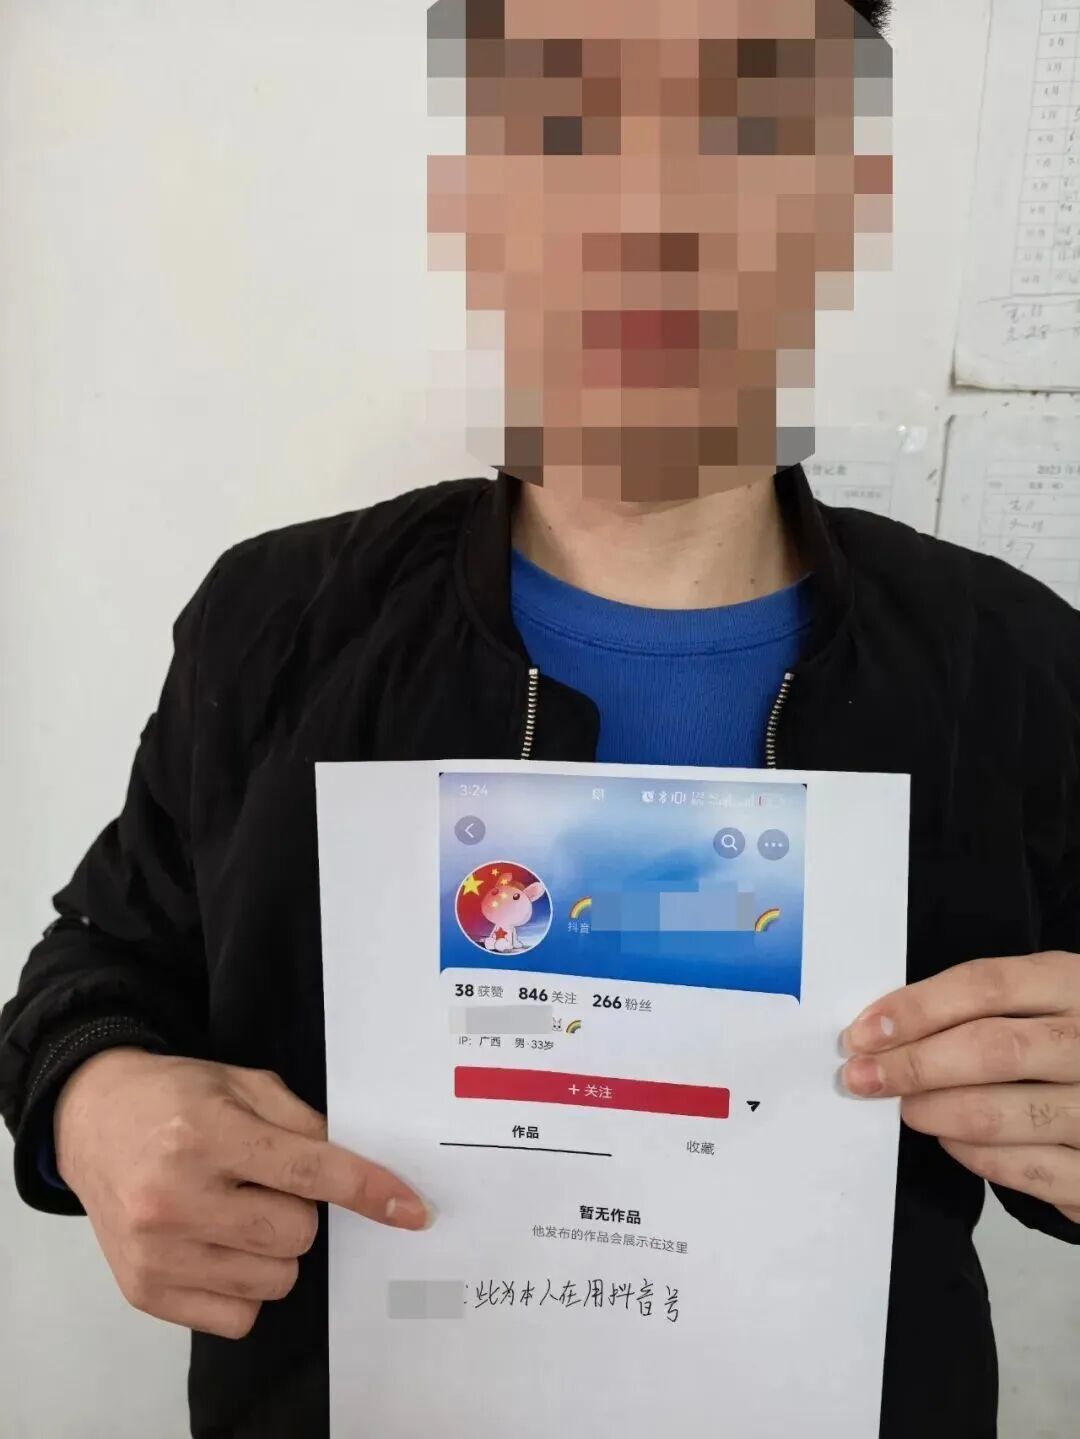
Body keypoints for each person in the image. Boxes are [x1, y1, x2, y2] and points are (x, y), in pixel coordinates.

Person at [2, 0, 1079, 1435]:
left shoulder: (1014, 665)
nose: (646, 213)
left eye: (743, 125)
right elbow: (102, 962)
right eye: (564, 126)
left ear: (844, 190)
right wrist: (93, 1103)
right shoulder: (274, 621)